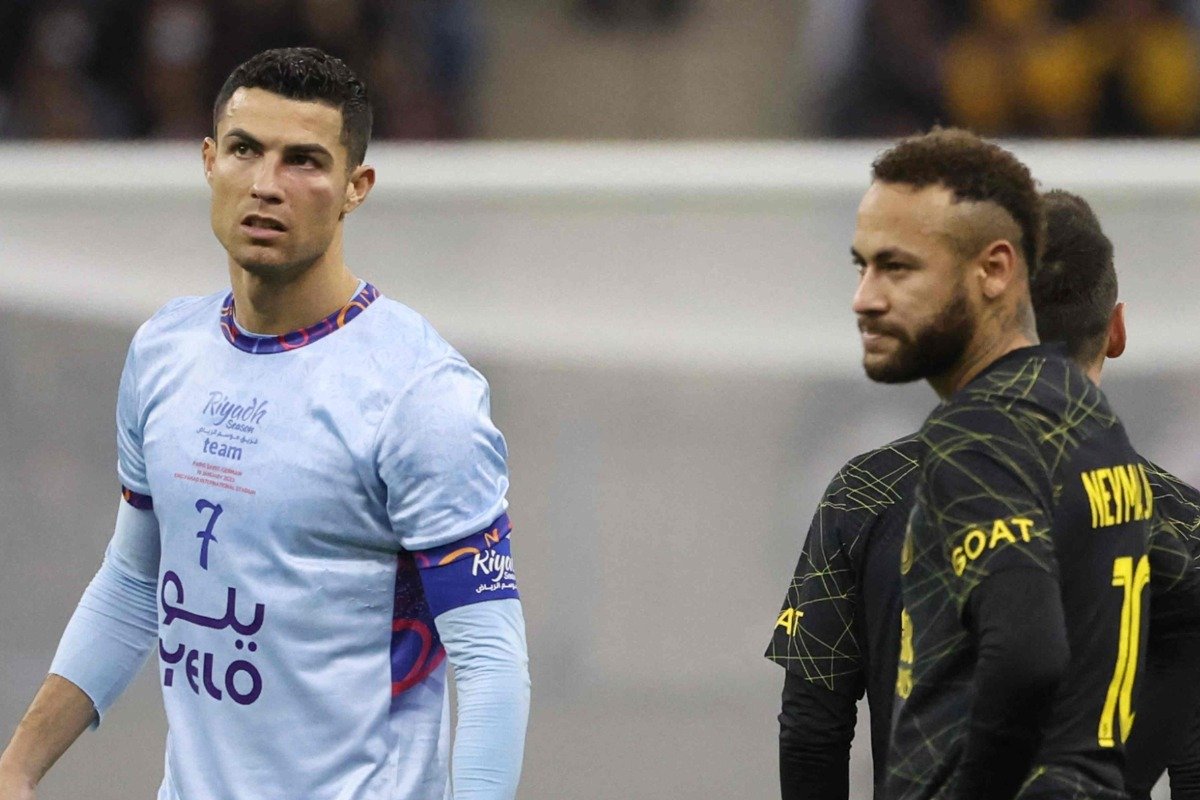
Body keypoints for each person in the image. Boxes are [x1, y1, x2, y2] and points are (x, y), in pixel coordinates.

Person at [0, 47, 529, 800]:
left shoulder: (419, 393)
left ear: (357, 188)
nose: (267, 185)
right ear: (210, 161)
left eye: (305, 161)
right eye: (246, 150)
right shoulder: (163, 352)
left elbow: (490, 663)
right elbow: (134, 581)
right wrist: (16, 766)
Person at [851, 127, 1149, 800]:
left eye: (902, 268)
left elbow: (1026, 657)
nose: (867, 299)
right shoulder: (1086, 415)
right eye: (863, 268)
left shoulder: (981, 431)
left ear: (992, 273)